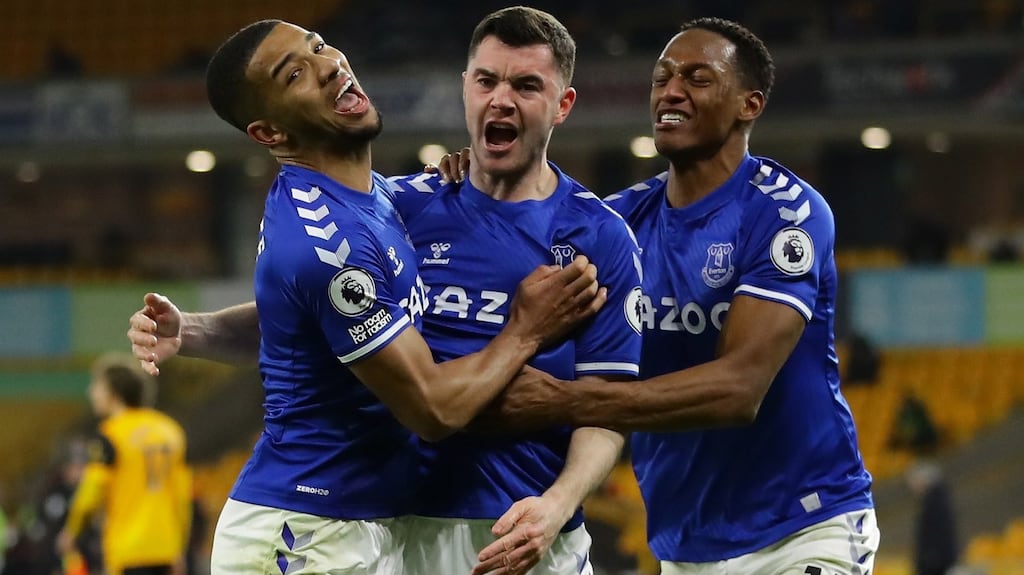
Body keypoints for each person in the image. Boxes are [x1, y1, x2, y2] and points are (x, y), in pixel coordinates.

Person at [128, 18, 605, 575]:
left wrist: (193, 329)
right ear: (269, 133)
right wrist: (527, 327)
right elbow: (432, 408)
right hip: (304, 532)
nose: (330, 64)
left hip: (353, 526)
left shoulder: (373, 198)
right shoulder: (328, 243)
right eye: (297, 74)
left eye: (319, 45)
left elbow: (300, 317)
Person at [445, 16, 880, 574]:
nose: (671, 91)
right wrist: (469, 182)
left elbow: (738, 389)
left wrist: (565, 401)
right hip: (682, 545)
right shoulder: (617, 223)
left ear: (750, 104)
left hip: (800, 529)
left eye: (698, 78)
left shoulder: (784, 212)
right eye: (663, 78)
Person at [387, 7, 641, 575]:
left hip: (528, 535)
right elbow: (329, 308)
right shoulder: (401, 210)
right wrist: (198, 328)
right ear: (465, 89)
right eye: (487, 80)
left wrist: (557, 506)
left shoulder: (598, 238)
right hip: (398, 528)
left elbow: (606, 408)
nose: (501, 99)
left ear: (563, 105)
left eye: (526, 85)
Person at [57, 353, 192, 575]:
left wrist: (71, 531)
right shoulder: (171, 431)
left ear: (114, 393)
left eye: (97, 387)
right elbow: (181, 495)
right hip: (165, 548)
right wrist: (179, 549)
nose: (91, 393)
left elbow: (93, 489)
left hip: (128, 550)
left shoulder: (111, 435)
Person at [906, 460, 959, 575]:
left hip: (934, 562)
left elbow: (935, 534)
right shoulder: (937, 500)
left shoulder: (934, 503)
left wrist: (928, 559)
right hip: (936, 560)